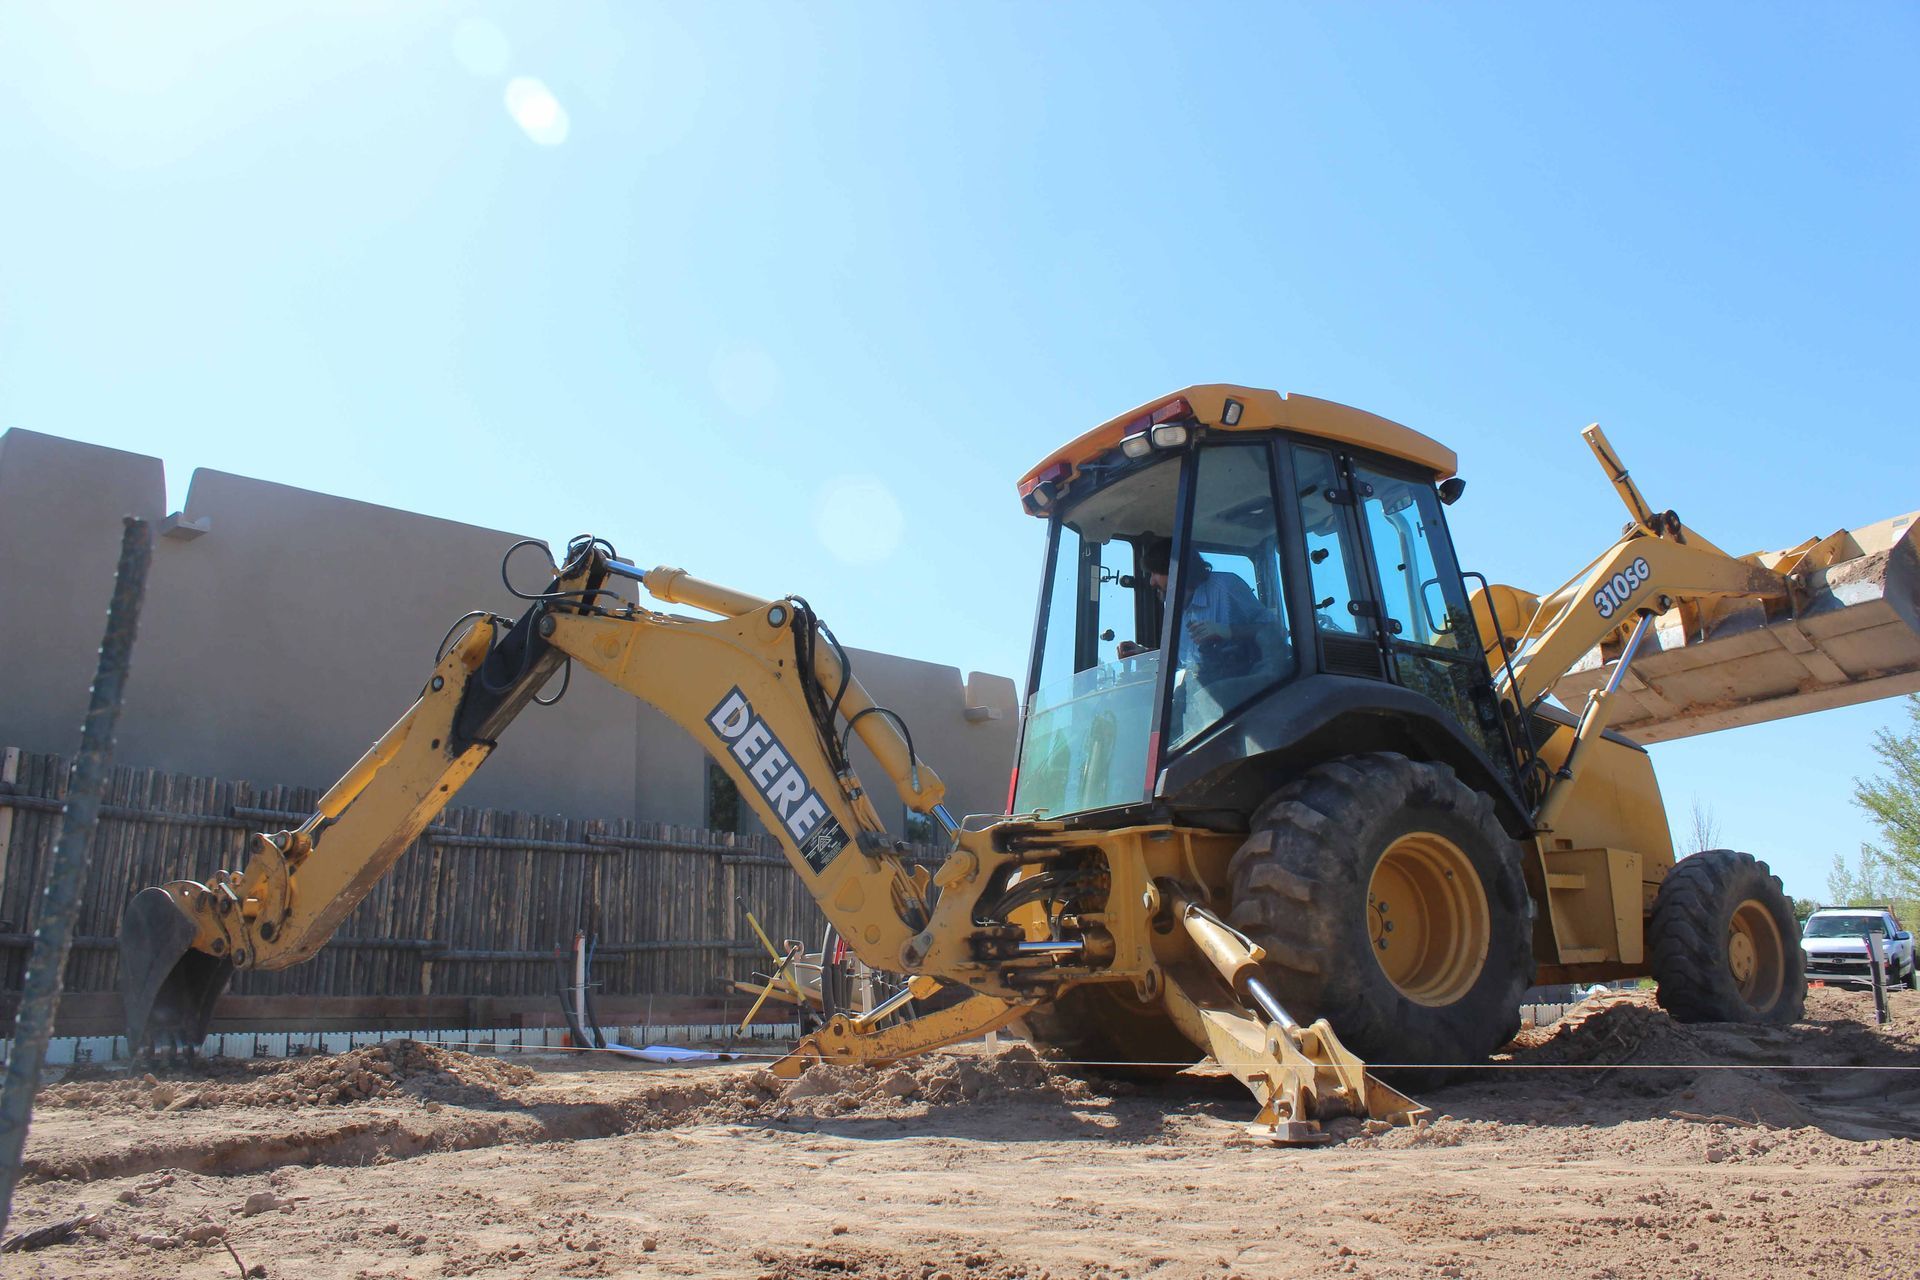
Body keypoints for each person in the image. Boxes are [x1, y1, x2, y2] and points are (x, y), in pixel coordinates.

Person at [1117, 538, 1264, 675]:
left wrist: (1228, 631)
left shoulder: (1226, 586)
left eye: (1156, 572)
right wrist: (1145, 654)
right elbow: (1184, 664)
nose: (1151, 582)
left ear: (1177, 569)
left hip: (1243, 684)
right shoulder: (1175, 608)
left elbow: (1274, 629)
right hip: (1199, 690)